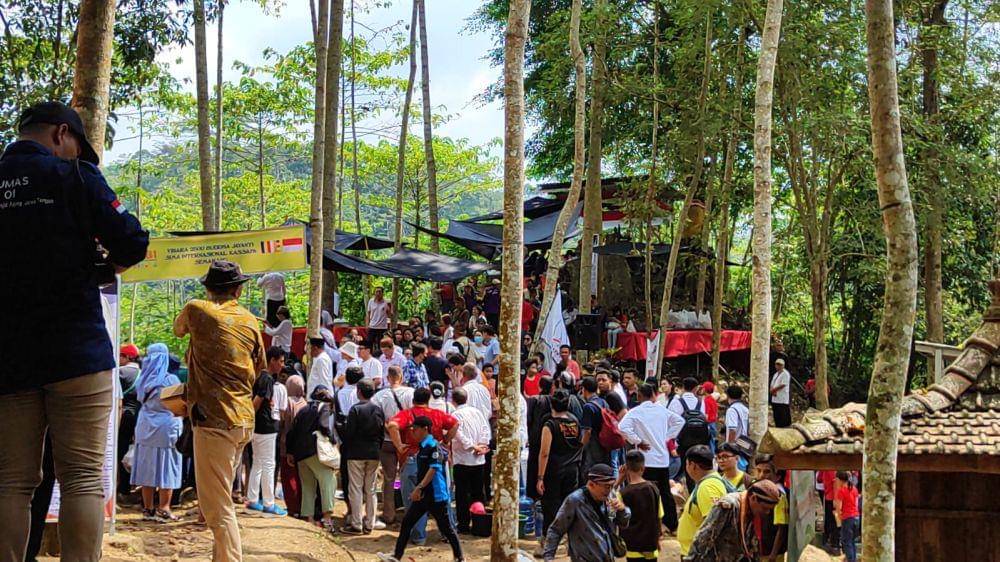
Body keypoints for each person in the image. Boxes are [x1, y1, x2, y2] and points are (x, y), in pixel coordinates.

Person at [0, 101, 149, 561]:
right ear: (62, 134)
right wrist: (106, 265)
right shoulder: (77, 178)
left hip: (8, 356)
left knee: (10, 481)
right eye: (76, 148)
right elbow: (133, 240)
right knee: (83, 476)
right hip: (77, 351)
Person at [173, 260, 266, 562]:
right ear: (238, 289)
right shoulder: (251, 320)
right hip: (242, 420)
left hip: (214, 420)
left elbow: (177, 330)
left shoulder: (197, 309)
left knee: (217, 508)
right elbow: (261, 366)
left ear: (208, 289)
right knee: (222, 499)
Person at [377, 416, 465, 562]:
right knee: (407, 523)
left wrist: (419, 487)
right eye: (412, 429)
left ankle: (460, 558)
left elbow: (433, 469)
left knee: (447, 528)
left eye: (415, 429)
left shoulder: (433, 446)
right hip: (424, 496)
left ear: (425, 429)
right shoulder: (422, 447)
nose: (413, 432)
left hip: (436, 495)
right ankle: (396, 556)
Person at [386, 387, 459, 546]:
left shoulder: (407, 414)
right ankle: (448, 533)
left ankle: (419, 537)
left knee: (414, 500)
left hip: (413, 459)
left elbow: (392, 425)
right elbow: (455, 423)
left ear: (413, 399)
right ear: (429, 399)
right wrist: (446, 440)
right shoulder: (438, 414)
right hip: (436, 460)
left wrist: (399, 446)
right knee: (442, 496)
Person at [618, 383, 684, 533]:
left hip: (645, 460)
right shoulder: (662, 411)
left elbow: (622, 427)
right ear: (653, 394)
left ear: (639, 396)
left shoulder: (636, 411)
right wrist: (667, 437)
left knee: (643, 492)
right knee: (665, 492)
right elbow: (680, 421)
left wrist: (637, 441)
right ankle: (672, 524)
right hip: (662, 459)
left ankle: (647, 524)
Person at [131, 343, 184, 522]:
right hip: (167, 428)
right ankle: (164, 507)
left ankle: (148, 508)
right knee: (167, 466)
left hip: (145, 426)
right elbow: (178, 408)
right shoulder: (171, 381)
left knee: (147, 466)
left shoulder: (142, 380)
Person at [542, 463, 630, 562]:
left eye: (611, 486)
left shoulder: (610, 497)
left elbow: (623, 523)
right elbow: (555, 530)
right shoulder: (575, 500)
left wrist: (622, 510)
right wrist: (548, 558)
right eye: (606, 486)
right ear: (591, 485)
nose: (609, 490)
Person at [684, 480, 782, 561]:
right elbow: (705, 536)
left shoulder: (752, 510)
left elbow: (752, 546)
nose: (767, 512)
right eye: (765, 508)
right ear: (753, 498)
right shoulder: (728, 506)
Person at [286, 386, 337, 531]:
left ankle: (309, 519)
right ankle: (327, 520)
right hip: (316, 451)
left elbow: (292, 432)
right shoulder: (324, 407)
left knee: (308, 486)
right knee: (328, 481)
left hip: (300, 453)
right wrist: (333, 441)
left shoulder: (303, 410)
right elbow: (324, 426)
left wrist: (290, 452)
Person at [245, 348, 287, 516]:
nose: (282, 365)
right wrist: (251, 415)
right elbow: (258, 401)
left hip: (257, 427)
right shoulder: (267, 379)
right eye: (281, 361)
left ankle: (253, 498)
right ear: (272, 360)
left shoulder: (258, 376)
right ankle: (269, 503)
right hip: (266, 426)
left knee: (257, 462)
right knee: (269, 464)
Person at [536, 389, 583, 536]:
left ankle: (548, 541)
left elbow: (544, 453)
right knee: (569, 505)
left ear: (552, 404)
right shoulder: (574, 421)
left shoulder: (550, 425)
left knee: (550, 507)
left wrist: (540, 478)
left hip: (554, 472)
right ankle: (570, 539)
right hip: (572, 470)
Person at [341, 379, 386, 534]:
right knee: (371, 489)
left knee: (355, 488)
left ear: (359, 392)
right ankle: (370, 523)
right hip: (373, 453)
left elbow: (349, 433)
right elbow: (382, 433)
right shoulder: (378, 409)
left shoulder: (355, 410)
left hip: (356, 453)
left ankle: (356, 523)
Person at [371, 366, 414, 525]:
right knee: (409, 476)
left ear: (388, 378)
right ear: (401, 377)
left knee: (389, 478)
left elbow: (375, 418)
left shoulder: (379, 396)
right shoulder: (411, 393)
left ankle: (388, 514)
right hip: (406, 441)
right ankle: (410, 512)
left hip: (387, 441)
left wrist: (387, 428)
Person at [677, 445, 734, 557]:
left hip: (699, 555)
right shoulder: (707, 483)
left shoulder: (708, 487)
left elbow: (713, 525)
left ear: (692, 465)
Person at [450, 388, 491, 535]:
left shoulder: (455, 415)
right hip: (478, 459)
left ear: (453, 400)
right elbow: (486, 430)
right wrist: (482, 445)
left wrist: (473, 446)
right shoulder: (477, 412)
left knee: (462, 494)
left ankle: (464, 525)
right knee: (477, 493)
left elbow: (458, 434)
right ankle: (479, 523)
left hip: (463, 459)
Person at [618, 450, 663, 560]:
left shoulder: (623, 493)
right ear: (643, 468)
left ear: (626, 469)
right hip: (650, 543)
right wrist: (658, 537)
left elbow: (613, 512)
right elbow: (659, 516)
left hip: (631, 545)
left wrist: (619, 479)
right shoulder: (653, 489)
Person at [279, 374, 308, 518]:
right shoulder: (305, 402)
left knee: (288, 476)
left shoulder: (288, 403)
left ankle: (292, 506)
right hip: (302, 446)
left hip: (287, 445)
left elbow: (284, 423)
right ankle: (302, 504)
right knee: (300, 476)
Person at [117, 344, 143, 497]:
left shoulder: (121, 373)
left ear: (127, 357)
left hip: (123, 416)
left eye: (120, 355)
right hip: (138, 417)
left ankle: (122, 487)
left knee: (120, 450)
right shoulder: (143, 373)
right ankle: (131, 484)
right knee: (132, 451)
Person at [670, 377, 711, 465]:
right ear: (695, 388)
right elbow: (703, 418)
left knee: (683, 465)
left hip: (682, 441)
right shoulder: (701, 402)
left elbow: (671, 422)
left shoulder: (676, 401)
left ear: (683, 387)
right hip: (699, 441)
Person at [755, 457, 788, 562]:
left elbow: (781, 528)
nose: (761, 476)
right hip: (759, 549)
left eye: (767, 472)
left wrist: (773, 555)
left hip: (772, 553)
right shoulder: (756, 492)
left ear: (777, 477)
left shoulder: (779, 497)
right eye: (758, 471)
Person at [579, 376, 612, 479]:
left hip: (593, 445)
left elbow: (587, 431)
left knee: (591, 473)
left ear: (584, 389)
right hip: (605, 443)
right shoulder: (603, 402)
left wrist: (581, 447)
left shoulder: (588, 407)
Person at [834, 471, 859, 562]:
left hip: (847, 518)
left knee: (847, 541)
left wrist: (839, 516)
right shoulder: (854, 489)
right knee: (852, 541)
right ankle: (853, 559)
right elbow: (856, 504)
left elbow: (839, 508)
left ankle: (851, 560)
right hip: (856, 517)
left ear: (840, 480)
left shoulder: (841, 491)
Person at [769, 358, 792, 428]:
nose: (778, 366)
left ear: (783, 366)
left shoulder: (785, 374)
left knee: (783, 413)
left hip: (782, 398)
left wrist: (774, 390)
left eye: (780, 365)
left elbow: (783, 384)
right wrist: (772, 390)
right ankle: (778, 425)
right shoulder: (776, 374)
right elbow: (772, 383)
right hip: (775, 397)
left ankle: (785, 426)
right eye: (777, 364)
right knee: (776, 413)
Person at [698, 382, 720, 452]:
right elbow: (716, 414)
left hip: (708, 424)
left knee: (709, 443)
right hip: (713, 423)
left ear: (705, 389)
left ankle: (711, 457)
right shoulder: (713, 400)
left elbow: (706, 415)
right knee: (712, 441)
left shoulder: (706, 400)